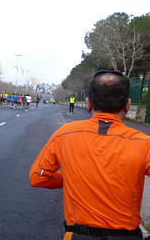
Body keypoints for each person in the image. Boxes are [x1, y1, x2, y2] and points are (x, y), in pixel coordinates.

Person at [29, 70, 150, 240]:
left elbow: (37, 177)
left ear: (88, 103)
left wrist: (72, 177)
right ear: (128, 105)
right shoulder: (143, 143)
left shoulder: (65, 134)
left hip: (78, 235)